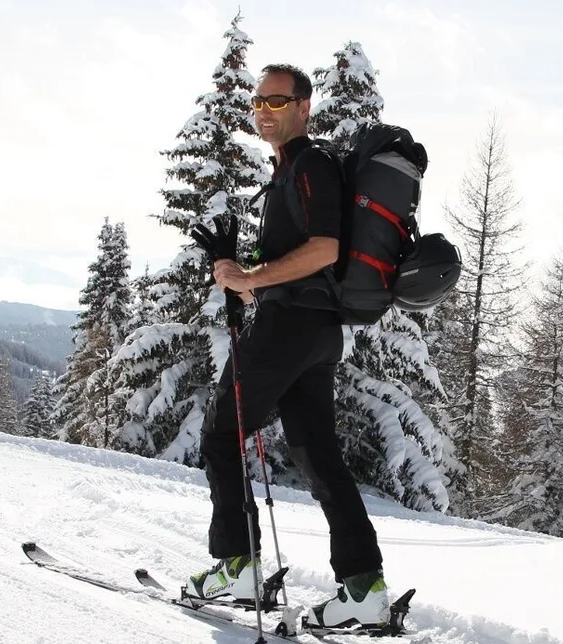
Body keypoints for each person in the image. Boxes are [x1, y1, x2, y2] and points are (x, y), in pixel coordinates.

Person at [180, 62, 390, 630]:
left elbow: (324, 250)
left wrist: (250, 280)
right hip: (313, 331)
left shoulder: (310, 165)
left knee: (222, 431)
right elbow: (298, 264)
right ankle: (363, 588)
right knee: (316, 451)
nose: (265, 112)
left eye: (278, 101)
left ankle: (237, 564)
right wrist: (242, 274)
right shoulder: (288, 175)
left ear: (304, 106)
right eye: (259, 101)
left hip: (293, 328)